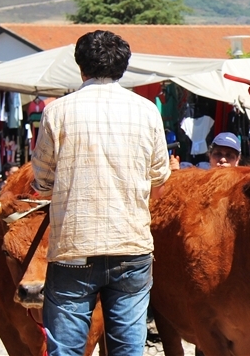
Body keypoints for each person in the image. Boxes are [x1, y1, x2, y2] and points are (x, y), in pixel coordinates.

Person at [31, 30, 170, 356]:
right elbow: (160, 177)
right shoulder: (147, 111)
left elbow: (42, 182)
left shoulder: (57, 112)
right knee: (127, 351)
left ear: (81, 67)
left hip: (73, 250)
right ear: (123, 68)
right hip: (131, 249)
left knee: (65, 351)